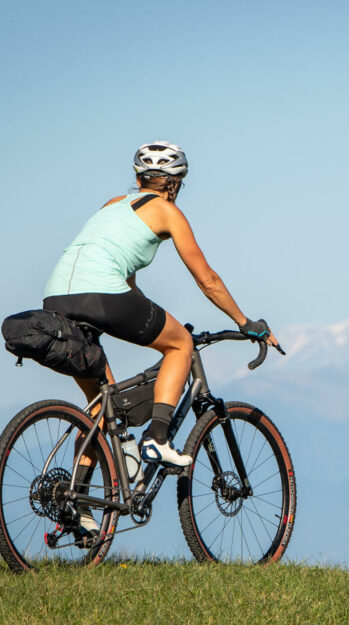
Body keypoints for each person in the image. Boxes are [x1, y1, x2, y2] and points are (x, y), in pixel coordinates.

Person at [43, 141, 279, 474]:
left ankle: (79, 511)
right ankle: (157, 437)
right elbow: (207, 279)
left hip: (54, 298)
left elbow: (128, 284)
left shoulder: (111, 205)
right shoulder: (167, 211)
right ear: (175, 183)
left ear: (139, 179)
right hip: (101, 295)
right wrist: (244, 322)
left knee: (100, 407)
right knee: (180, 342)